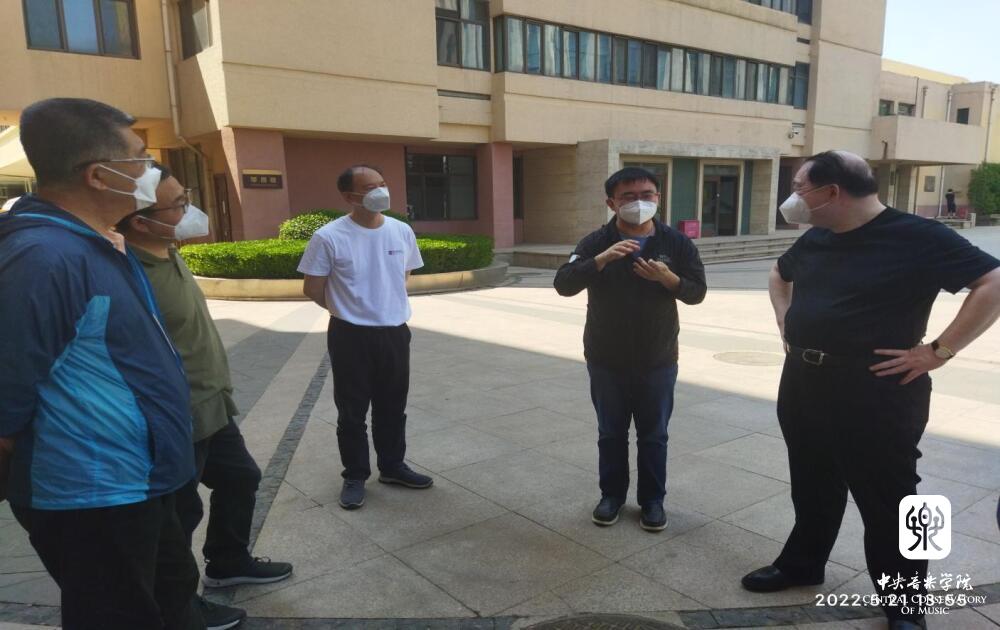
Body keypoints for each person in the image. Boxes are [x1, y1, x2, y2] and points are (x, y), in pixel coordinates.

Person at [741, 151, 1000, 630]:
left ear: (831, 192)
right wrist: (785, 318)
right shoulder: (817, 236)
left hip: (877, 388)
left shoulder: (918, 236)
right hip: (803, 381)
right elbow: (780, 273)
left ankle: (908, 604)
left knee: (896, 499)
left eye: (799, 188)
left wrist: (939, 351)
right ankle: (803, 563)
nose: (793, 197)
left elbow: (994, 283)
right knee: (812, 480)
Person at [0, 98, 204, 628]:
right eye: (140, 158)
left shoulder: (93, 243)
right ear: (98, 175)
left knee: (173, 598)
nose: (152, 170)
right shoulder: (42, 258)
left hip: (143, 479)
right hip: (93, 495)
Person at [117, 166, 293, 630]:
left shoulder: (168, 252)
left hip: (212, 404)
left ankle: (228, 560)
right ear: (140, 221)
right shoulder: (129, 273)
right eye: (178, 204)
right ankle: (180, 606)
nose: (190, 210)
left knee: (241, 478)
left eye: (186, 196)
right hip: (177, 416)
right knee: (179, 517)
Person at [553, 166, 707, 531]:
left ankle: (653, 501)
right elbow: (563, 283)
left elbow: (697, 292)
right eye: (628, 197)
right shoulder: (595, 242)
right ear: (611, 203)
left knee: (654, 436)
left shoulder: (676, 243)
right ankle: (612, 496)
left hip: (658, 357)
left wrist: (669, 279)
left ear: (658, 198)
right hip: (606, 357)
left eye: (647, 195)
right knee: (611, 433)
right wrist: (601, 260)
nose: (639, 202)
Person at [298, 164, 430, 510]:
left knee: (393, 406)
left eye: (382, 184)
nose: (380, 192)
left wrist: (383, 305)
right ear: (349, 196)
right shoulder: (329, 236)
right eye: (370, 187)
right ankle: (355, 475)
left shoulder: (401, 231)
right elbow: (312, 287)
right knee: (352, 411)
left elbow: (404, 275)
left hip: (395, 332)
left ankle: (392, 467)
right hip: (350, 335)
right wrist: (348, 309)